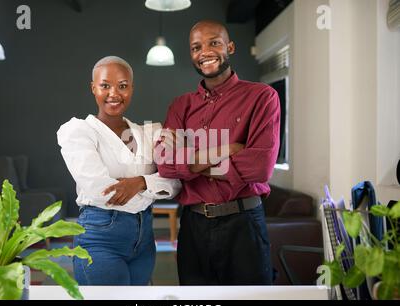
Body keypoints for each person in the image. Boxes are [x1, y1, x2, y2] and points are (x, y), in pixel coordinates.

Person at [156, 20, 281, 285]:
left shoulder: (262, 97)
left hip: (243, 223)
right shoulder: (181, 106)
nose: (205, 52)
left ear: (230, 47)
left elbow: (259, 168)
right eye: (196, 47)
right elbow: (165, 164)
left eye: (214, 42)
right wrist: (226, 150)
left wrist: (189, 156)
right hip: (193, 226)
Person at [57, 56, 181, 285]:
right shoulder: (78, 131)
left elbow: (174, 182)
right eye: (105, 85)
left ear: (132, 88)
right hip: (101, 236)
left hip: (144, 239)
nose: (114, 93)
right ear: (93, 87)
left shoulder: (149, 132)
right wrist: (153, 183)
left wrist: (139, 183)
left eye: (122, 86)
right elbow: (101, 191)